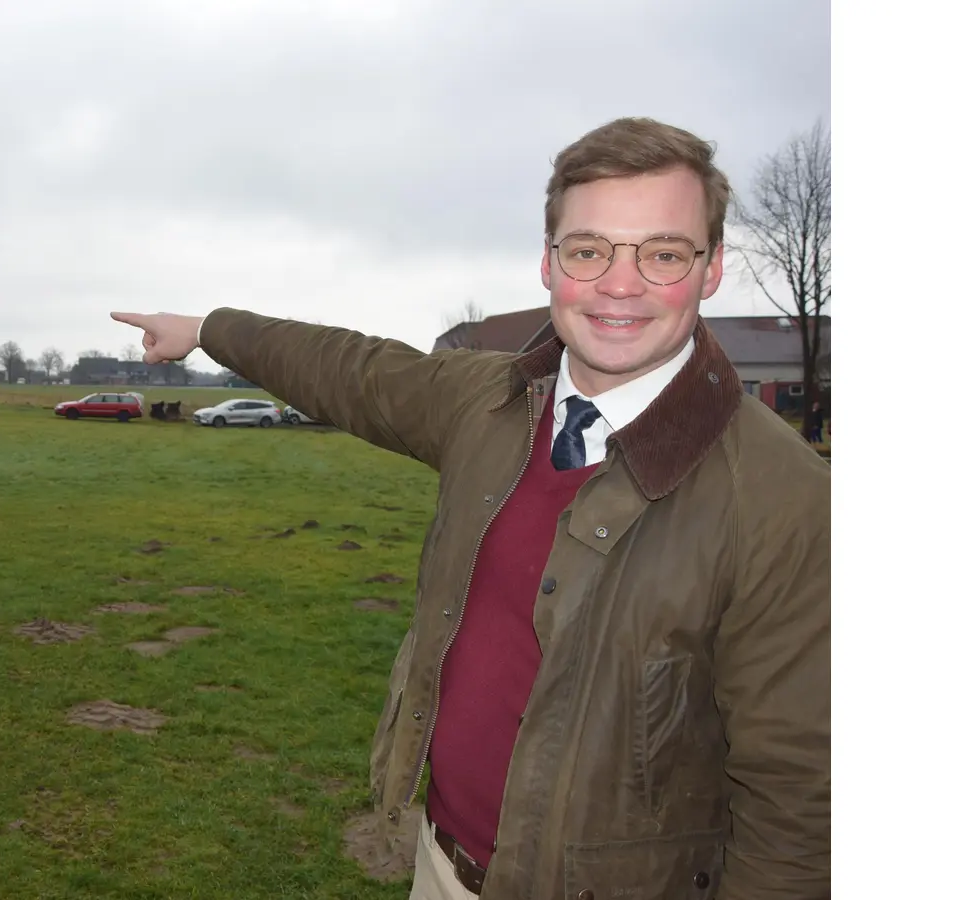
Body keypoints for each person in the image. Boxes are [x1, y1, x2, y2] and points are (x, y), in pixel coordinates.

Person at [110, 117, 829, 900]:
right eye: (588, 250)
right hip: (442, 864)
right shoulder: (491, 402)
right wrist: (211, 330)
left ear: (713, 267)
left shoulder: (783, 497)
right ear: (548, 264)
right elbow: (350, 370)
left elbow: (802, 799)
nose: (620, 285)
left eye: (662, 253)